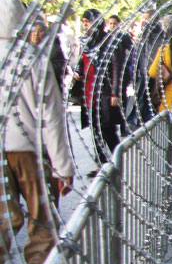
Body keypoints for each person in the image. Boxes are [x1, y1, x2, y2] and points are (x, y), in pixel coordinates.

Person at [0, 0, 74, 264]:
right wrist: (62, 167)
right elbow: (51, 118)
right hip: (29, 151)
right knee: (42, 222)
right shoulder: (32, 59)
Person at [73, 9, 124, 178]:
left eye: (88, 21)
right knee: (95, 131)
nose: (85, 24)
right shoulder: (86, 42)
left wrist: (115, 93)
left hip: (104, 91)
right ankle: (101, 163)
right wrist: (77, 72)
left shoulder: (107, 41)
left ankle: (120, 160)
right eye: (84, 21)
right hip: (88, 92)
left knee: (107, 130)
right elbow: (82, 63)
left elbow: (116, 66)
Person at [106, 15, 134, 136]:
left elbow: (129, 52)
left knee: (121, 101)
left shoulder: (123, 37)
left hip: (122, 73)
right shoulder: (106, 37)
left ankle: (123, 126)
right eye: (110, 24)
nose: (112, 26)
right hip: (110, 75)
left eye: (114, 24)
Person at [29, 18, 66, 91]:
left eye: (39, 31)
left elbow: (61, 69)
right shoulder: (26, 49)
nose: (36, 34)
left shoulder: (53, 50)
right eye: (33, 30)